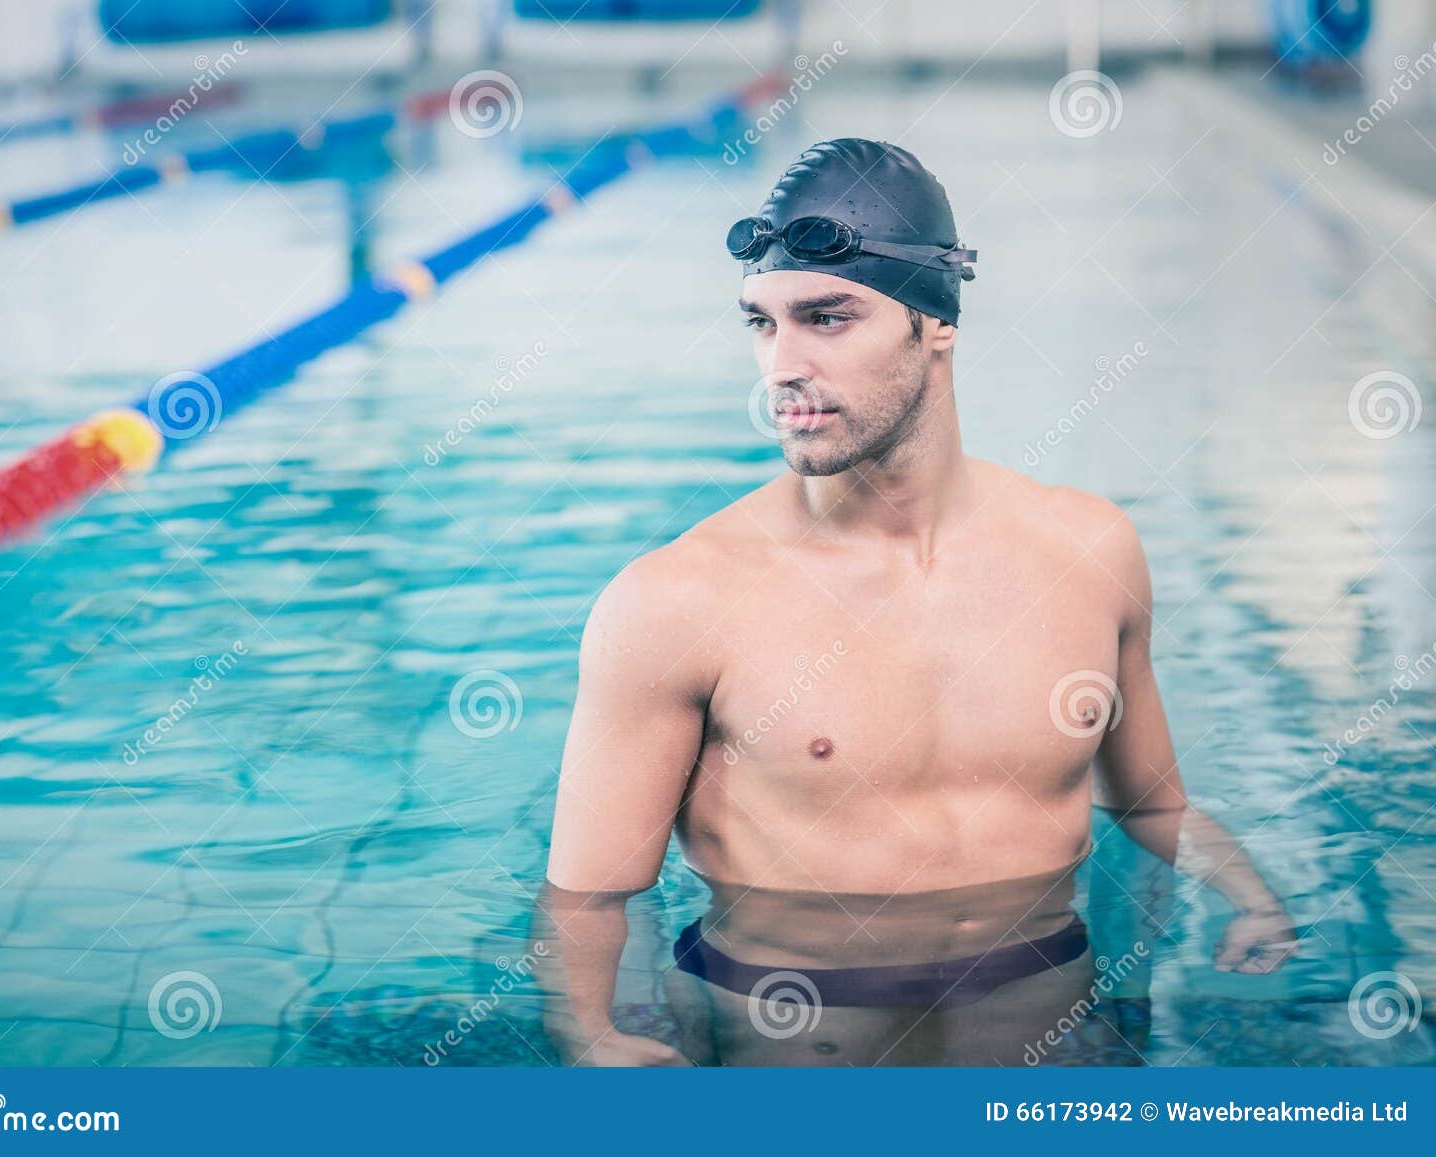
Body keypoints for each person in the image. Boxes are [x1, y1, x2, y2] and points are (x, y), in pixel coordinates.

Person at [537, 139, 1297, 1066]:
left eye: (826, 318)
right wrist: (591, 1034)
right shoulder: (674, 600)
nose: (781, 365)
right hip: (789, 1046)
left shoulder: (1091, 551)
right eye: (762, 324)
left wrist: (1254, 898)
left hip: (1044, 1033)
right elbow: (588, 895)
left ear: (936, 322)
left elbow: (1150, 806)